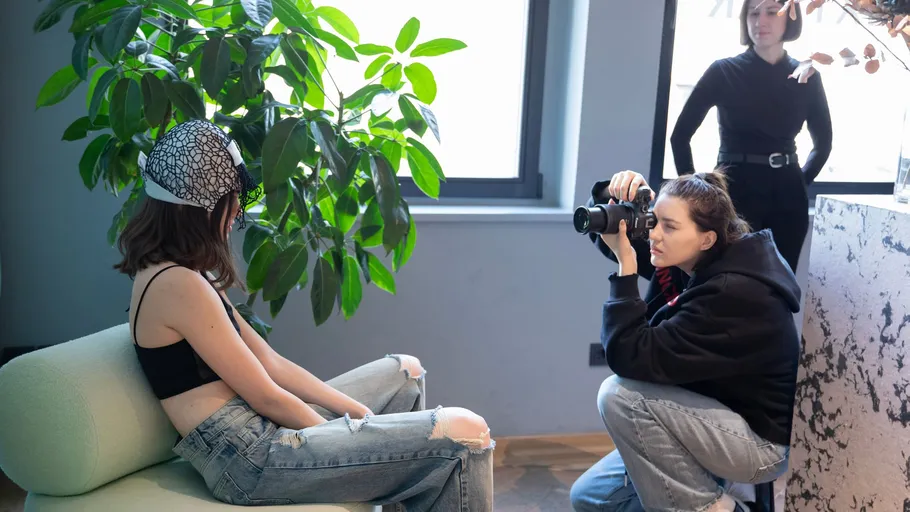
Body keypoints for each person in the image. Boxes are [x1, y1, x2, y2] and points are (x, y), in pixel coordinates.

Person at [114, 119, 495, 510]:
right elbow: (266, 395)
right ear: (199, 210)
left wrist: (359, 417)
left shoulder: (184, 272)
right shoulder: (177, 283)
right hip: (248, 458)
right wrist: (352, 435)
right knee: (465, 433)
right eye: (229, 203)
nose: (234, 215)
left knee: (405, 373)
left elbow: (271, 363)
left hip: (257, 430)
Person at [569, 170, 801, 512]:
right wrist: (611, 191)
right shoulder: (691, 259)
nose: (654, 236)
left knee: (621, 397)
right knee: (592, 497)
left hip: (755, 442)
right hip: (707, 414)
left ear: (706, 238)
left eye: (669, 226)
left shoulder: (734, 293)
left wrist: (626, 268)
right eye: (654, 221)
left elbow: (630, 356)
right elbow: (611, 230)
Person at [669, 0, 832, 273]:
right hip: (734, 191)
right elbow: (680, 136)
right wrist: (695, 195)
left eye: (771, 12)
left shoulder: (807, 75)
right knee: (728, 283)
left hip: (787, 195)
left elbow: (823, 143)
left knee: (780, 286)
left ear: (789, 18)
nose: (760, 21)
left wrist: (799, 182)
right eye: (753, 13)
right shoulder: (723, 71)